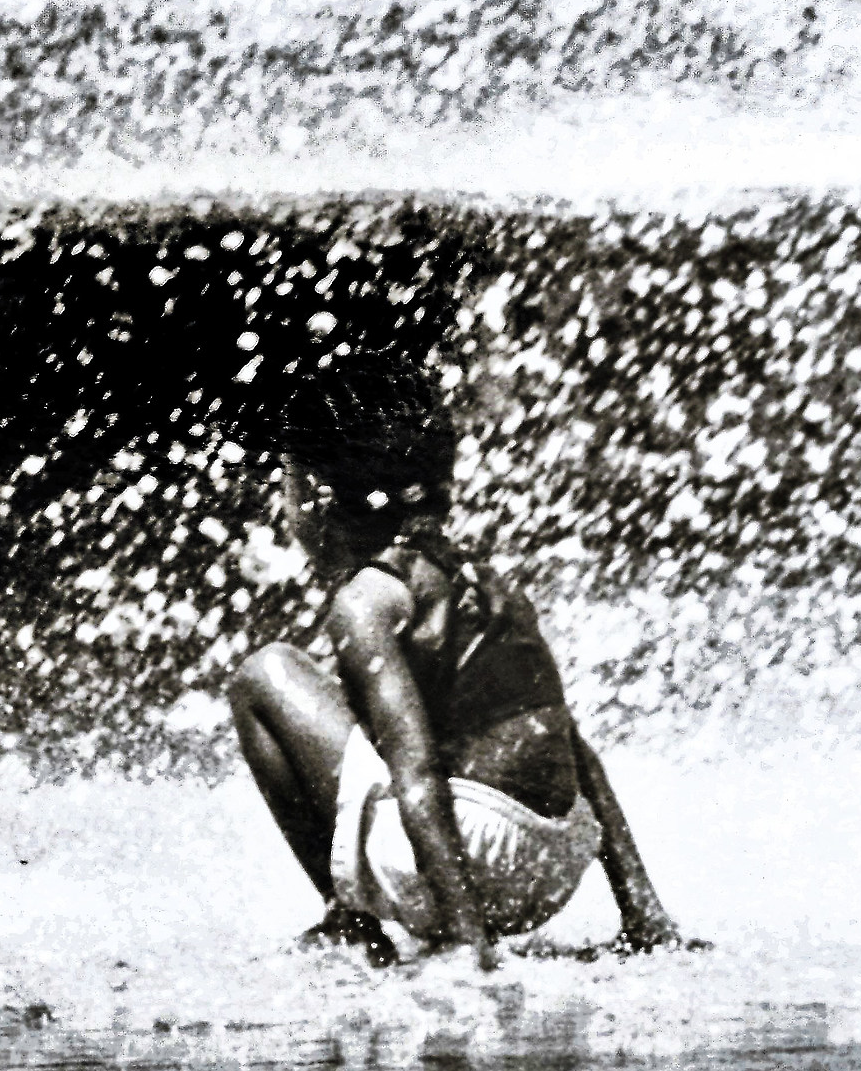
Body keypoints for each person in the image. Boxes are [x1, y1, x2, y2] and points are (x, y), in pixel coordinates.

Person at [227, 350, 684, 970]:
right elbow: (572, 746)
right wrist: (642, 911)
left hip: (479, 861)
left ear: (315, 494)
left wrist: (472, 949)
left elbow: (416, 775)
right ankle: (626, 916)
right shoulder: (485, 584)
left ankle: (353, 926)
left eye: (285, 481)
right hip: (556, 860)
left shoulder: (369, 602)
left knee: (265, 674)